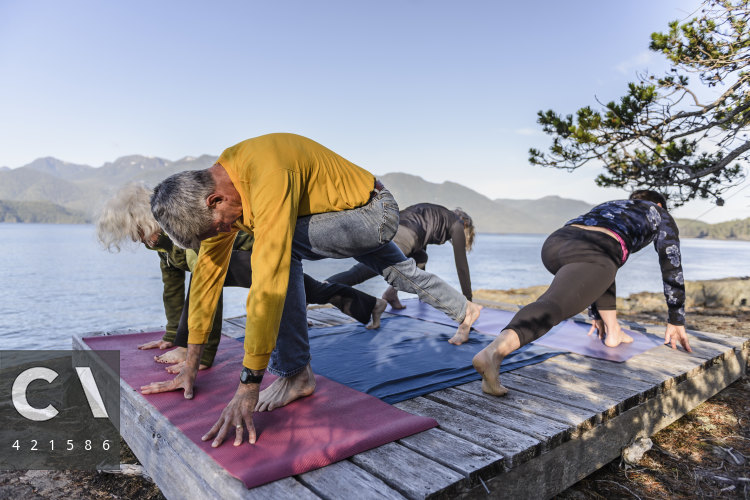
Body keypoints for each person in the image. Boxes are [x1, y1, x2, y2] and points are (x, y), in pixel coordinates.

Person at [141, 133, 482, 449]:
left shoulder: (265, 174)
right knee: (401, 275)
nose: (228, 230)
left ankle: (295, 373)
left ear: (215, 200)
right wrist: (191, 359)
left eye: (222, 225)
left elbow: (270, 278)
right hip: (347, 214)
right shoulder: (225, 185)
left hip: (372, 214)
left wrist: (249, 382)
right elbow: (207, 274)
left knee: (279, 252)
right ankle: (464, 309)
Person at [96, 183, 389, 369]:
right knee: (309, 289)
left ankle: (368, 306)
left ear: (145, 220)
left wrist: (196, 354)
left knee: (297, 288)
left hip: (258, 252)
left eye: (136, 232)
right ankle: (371, 305)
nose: (135, 240)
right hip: (240, 263)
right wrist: (173, 336)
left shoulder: (182, 231)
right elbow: (171, 287)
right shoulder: (159, 243)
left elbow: (207, 289)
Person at [472, 190, 693, 397]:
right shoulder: (659, 212)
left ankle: (613, 332)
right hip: (596, 248)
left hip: (556, 244)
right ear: (658, 204)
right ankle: (493, 353)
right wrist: (676, 318)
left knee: (605, 269)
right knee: (554, 305)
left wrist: (595, 314)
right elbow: (671, 263)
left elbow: (602, 271)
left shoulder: (611, 205)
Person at [328, 203, 475, 311]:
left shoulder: (437, 213)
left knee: (421, 258)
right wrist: (468, 302)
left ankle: (391, 294)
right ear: (465, 223)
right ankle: (315, 290)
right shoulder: (458, 224)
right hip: (403, 237)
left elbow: (419, 254)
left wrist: (422, 293)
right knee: (360, 273)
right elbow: (462, 267)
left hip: (390, 228)